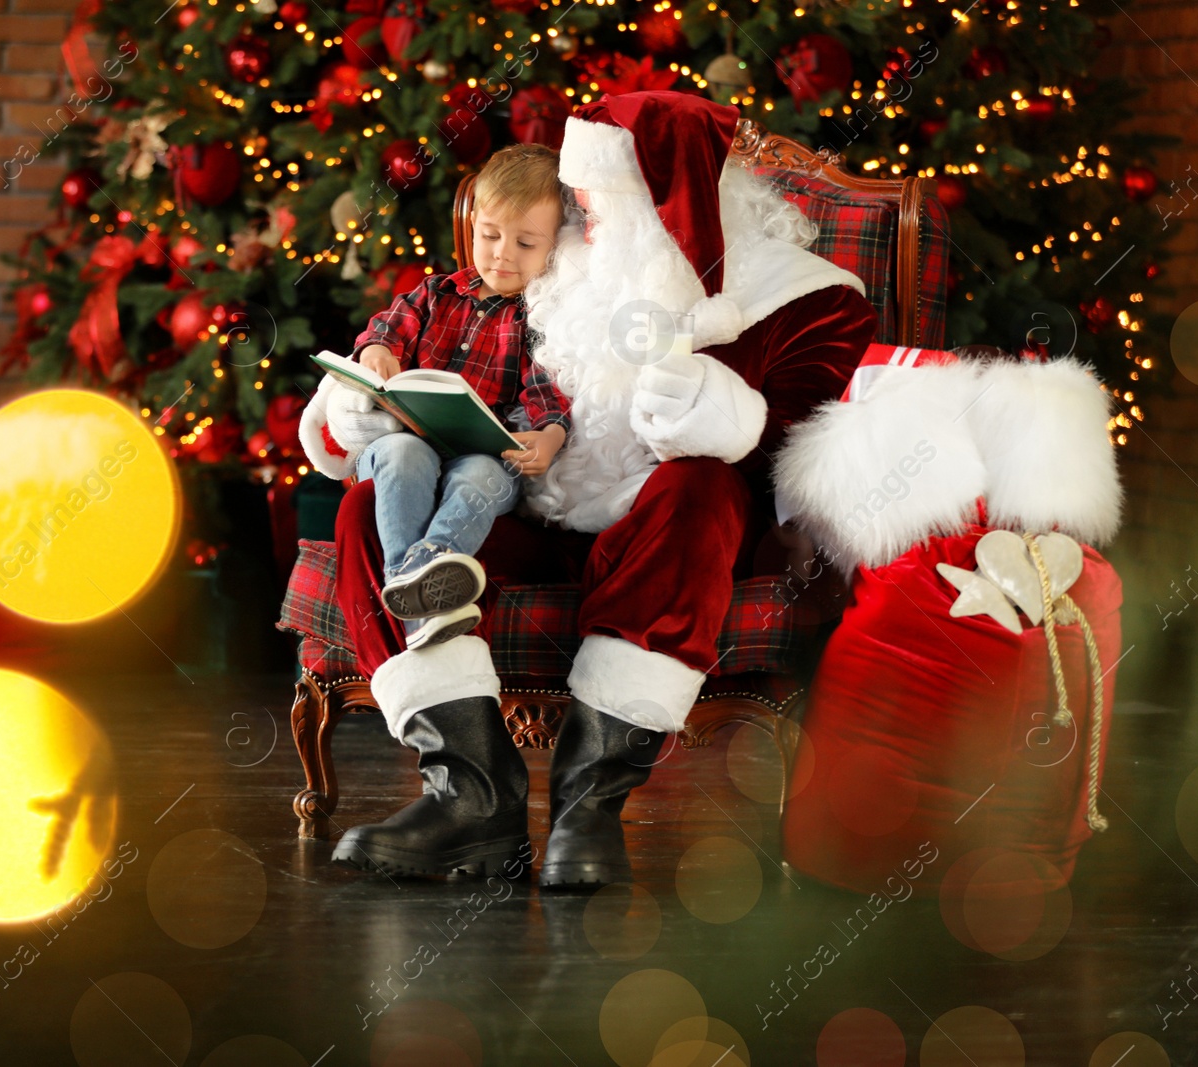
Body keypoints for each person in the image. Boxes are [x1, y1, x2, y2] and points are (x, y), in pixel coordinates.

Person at [308, 91, 880, 885]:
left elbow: (802, 456)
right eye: (581, 201)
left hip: (659, 530)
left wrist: (720, 416)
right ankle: (471, 800)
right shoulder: (549, 255)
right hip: (521, 505)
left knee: (702, 489)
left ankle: (588, 806)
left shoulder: (806, 297)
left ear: (671, 200)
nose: (585, 220)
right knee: (370, 506)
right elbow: (433, 329)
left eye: (602, 201)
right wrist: (362, 402)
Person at [299, 144, 572, 655]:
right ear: (473, 230)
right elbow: (385, 329)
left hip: (482, 452)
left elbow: (547, 392)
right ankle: (424, 599)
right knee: (401, 454)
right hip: (410, 438)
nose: (501, 254)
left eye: (525, 244)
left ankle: (412, 584)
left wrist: (550, 435)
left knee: (485, 478)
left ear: (556, 248)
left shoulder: (540, 319)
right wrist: (378, 349)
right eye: (489, 236)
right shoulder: (436, 293)